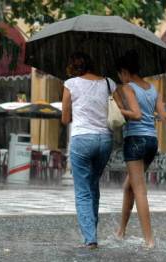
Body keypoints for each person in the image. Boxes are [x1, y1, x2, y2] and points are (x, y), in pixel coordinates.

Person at [114, 51, 166, 248]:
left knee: (140, 190)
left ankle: (149, 240)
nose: (120, 79)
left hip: (135, 140)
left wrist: (118, 109)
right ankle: (121, 231)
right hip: (152, 141)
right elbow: (165, 118)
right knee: (130, 186)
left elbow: (134, 114)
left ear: (125, 72)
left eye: (120, 75)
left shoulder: (127, 88)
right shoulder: (153, 89)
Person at [61, 52, 117, 249]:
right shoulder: (109, 83)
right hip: (105, 140)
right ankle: (91, 230)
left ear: (73, 67)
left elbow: (65, 119)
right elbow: (116, 109)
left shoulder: (70, 84)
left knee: (83, 190)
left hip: (82, 139)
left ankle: (90, 238)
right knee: (93, 185)